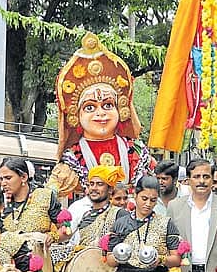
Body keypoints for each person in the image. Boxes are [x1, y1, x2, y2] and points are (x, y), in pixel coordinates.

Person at [48, 33, 153, 196]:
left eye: (108, 105)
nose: (101, 114)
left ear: (120, 110)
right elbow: (51, 192)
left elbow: (152, 189)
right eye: (90, 107)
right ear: (76, 116)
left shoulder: (136, 150)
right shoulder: (73, 157)